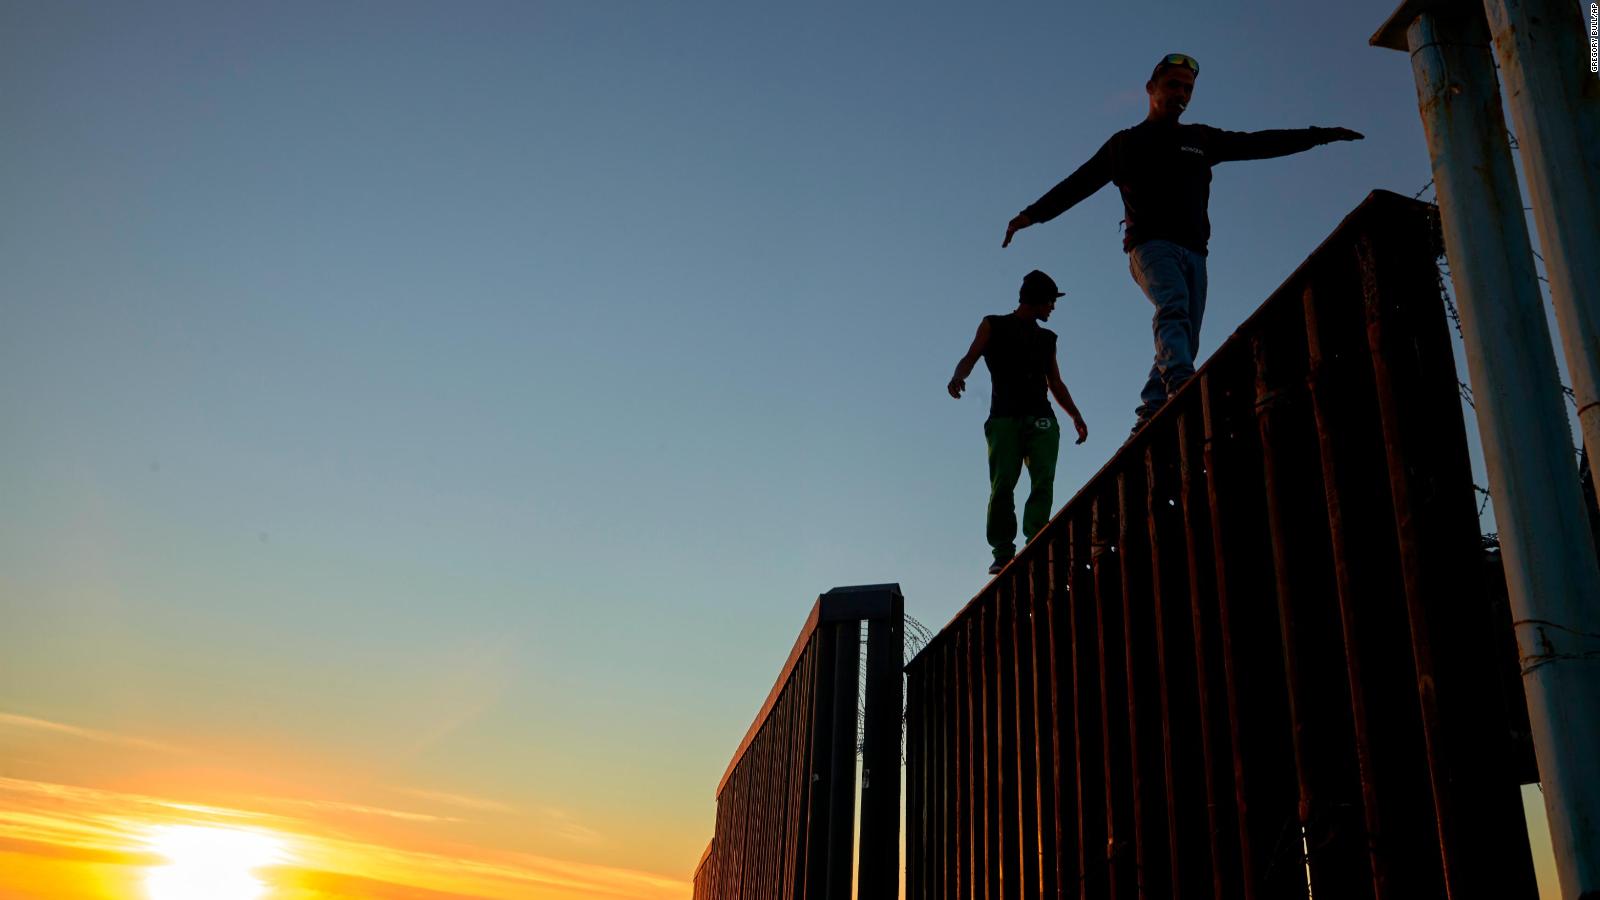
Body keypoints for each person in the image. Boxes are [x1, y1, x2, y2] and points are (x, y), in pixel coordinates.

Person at [1001, 52, 1363, 433]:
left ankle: (1150, 411)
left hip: (1195, 252)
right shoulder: (1125, 144)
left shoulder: (1199, 139)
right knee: (1172, 306)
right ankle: (1180, 384)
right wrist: (1029, 215)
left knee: (1187, 335)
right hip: (1150, 247)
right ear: (1151, 88)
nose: (1181, 94)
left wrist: (1320, 135)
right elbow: (1077, 185)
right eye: (1173, 85)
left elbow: (1259, 143)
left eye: (1188, 89)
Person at [949, 269, 1088, 575]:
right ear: (1037, 298)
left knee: (1042, 479)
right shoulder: (993, 325)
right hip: (1004, 420)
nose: (1053, 307)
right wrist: (959, 376)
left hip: (1041, 419)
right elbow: (970, 356)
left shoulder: (1047, 338)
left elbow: (1056, 383)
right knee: (1002, 485)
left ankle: (1036, 539)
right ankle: (1002, 552)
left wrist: (1075, 414)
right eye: (1051, 301)